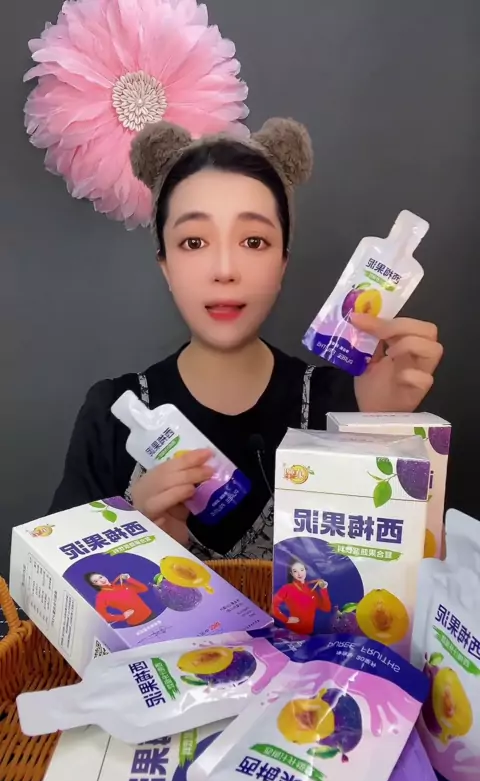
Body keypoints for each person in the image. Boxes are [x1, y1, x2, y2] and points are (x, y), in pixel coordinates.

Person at [50, 118, 443, 561]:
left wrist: (382, 425)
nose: (225, 270)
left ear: (283, 262)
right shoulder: (114, 414)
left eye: (254, 241)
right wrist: (129, 537)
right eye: (193, 242)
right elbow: (45, 589)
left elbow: (408, 577)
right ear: (165, 265)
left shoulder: (345, 399)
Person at [272, 558, 331, 635]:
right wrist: (286, 619)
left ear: (305, 570)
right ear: (291, 573)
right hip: (292, 634)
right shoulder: (287, 588)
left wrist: (324, 590)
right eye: (295, 571)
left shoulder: (312, 591)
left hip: (309, 634)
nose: (299, 574)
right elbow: (272, 605)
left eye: (302, 570)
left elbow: (326, 608)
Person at [84, 571, 154, 626]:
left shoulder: (121, 584)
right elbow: (101, 615)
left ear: (103, 576)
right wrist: (122, 617)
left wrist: (128, 578)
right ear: (94, 584)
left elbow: (144, 589)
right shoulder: (101, 596)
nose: (101, 580)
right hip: (137, 624)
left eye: (100, 577)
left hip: (151, 615)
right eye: (96, 581)